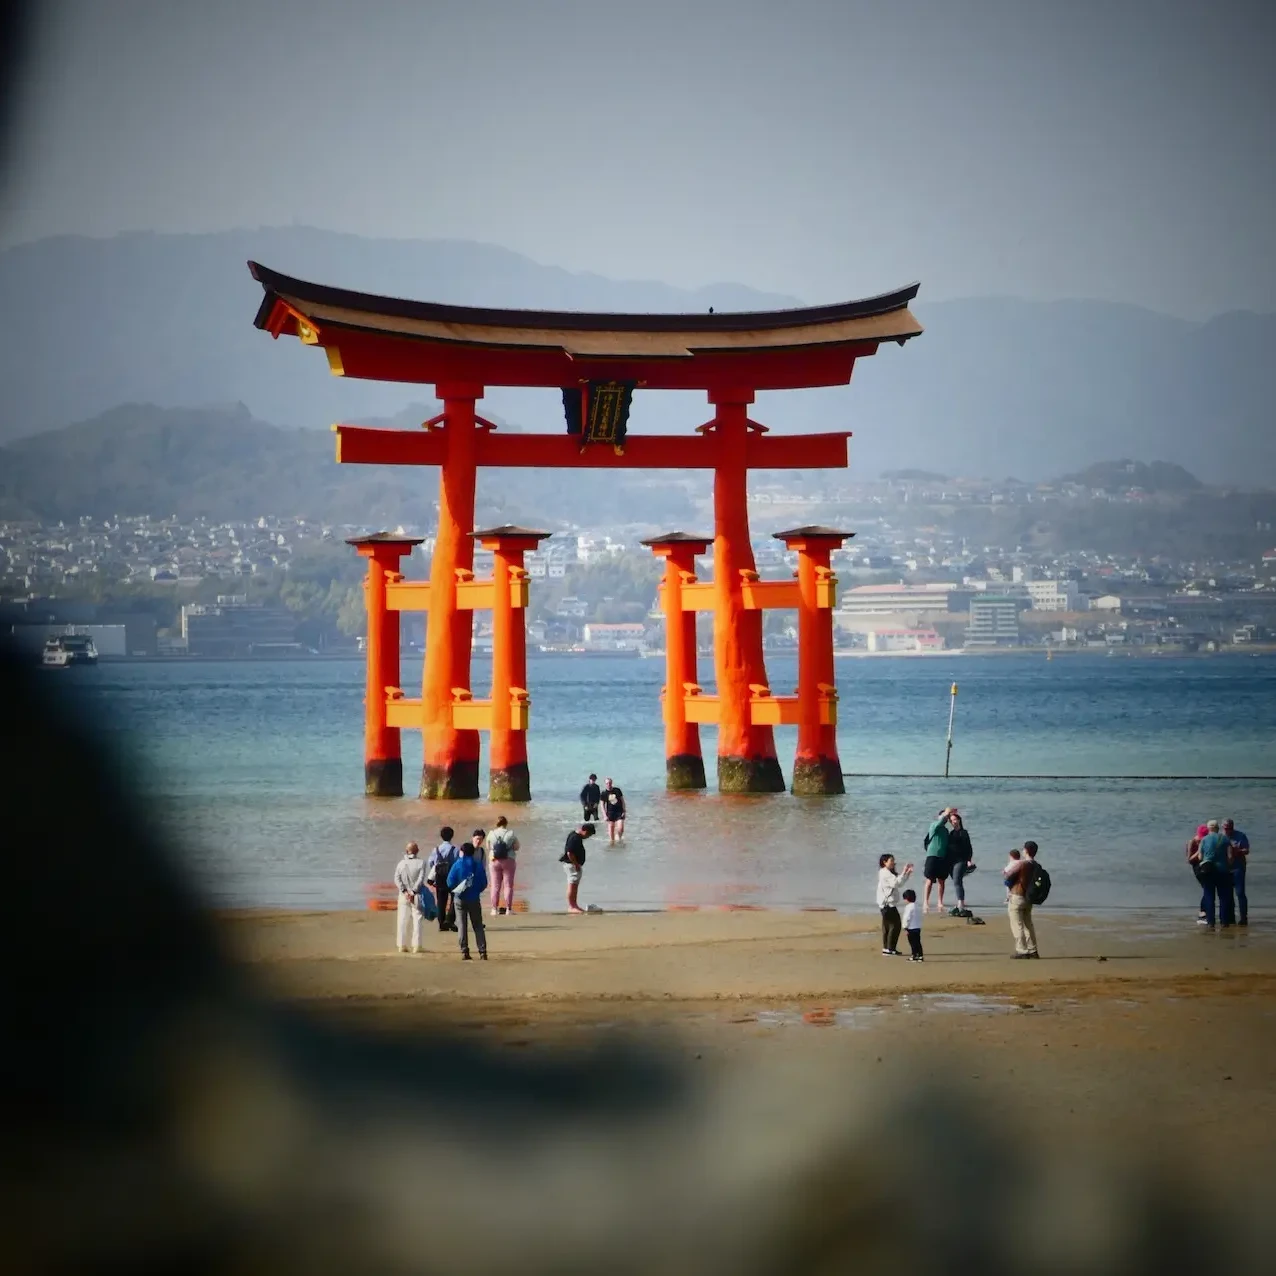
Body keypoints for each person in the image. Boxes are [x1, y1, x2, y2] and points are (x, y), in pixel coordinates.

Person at [446, 831, 489, 960]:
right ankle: (482, 951)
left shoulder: (457, 865)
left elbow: (449, 882)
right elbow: (484, 883)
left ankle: (464, 951)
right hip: (474, 898)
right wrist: (476, 890)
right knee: (478, 925)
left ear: (462, 852)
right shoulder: (478, 865)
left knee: (462, 925)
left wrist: (457, 889)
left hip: (459, 898)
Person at [1004, 840, 1040, 959]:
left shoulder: (1022, 864)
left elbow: (1008, 875)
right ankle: (1033, 949)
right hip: (1029, 897)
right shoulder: (1037, 865)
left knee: (1017, 924)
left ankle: (1022, 950)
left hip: (1017, 895)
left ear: (1026, 851)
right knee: (1028, 924)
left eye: (1024, 849)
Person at [1197, 819, 1235, 929]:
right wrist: (1228, 865)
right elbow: (1230, 857)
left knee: (1209, 897)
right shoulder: (1225, 839)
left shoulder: (1204, 839)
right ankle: (1224, 922)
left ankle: (1211, 922)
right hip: (1222, 871)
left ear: (1208, 829)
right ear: (1218, 828)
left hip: (1208, 871)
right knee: (1223, 897)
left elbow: (1200, 857)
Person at [392, 841, 428, 954]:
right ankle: (417, 946)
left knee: (402, 920)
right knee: (417, 920)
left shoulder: (401, 864)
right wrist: (413, 892)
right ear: (417, 851)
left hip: (403, 895)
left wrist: (404, 891)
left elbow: (396, 879)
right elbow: (421, 879)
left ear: (406, 851)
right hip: (417, 895)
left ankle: (401, 945)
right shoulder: (422, 863)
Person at [876, 853, 913, 956]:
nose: (893, 862)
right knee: (895, 925)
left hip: (886, 904)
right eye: (891, 861)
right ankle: (890, 949)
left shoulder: (887, 872)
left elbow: (899, 883)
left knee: (888, 927)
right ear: (884, 862)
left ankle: (887, 948)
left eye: (893, 860)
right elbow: (896, 883)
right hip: (887, 905)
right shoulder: (885, 872)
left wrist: (907, 874)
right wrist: (904, 871)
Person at [486, 816, 521, 916]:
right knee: (508, 885)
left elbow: (488, 847)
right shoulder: (511, 834)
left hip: (494, 860)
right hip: (509, 860)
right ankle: (508, 909)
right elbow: (517, 847)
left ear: (496, 824)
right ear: (506, 823)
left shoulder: (491, 833)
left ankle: (494, 909)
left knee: (495, 886)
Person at [427, 827, 460, 933]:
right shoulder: (455, 849)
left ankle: (441, 923)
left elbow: (431, 863)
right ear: (452, 836)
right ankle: (450, 919)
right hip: (452, 878)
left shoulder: (436, 849)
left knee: (441, 901)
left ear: (441, 836)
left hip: (440, 877)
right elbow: (457, 863)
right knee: (455, 899)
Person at [922, 808, 952, 913]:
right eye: (945, 817)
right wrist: (946, 813)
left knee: (941, 880)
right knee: (929, 879)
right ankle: (926, 901)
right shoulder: (934, 825)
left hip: (942, 857)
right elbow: (941, 821)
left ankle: (940, 901)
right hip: (932, 855)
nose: (946, 819)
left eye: (947, 818)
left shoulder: (946, 830)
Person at [946, 810, 975, 918]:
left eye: (955, 819)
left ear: (959, 820)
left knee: (957, 881)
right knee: (956, 881)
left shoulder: (964, 832)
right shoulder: (951, 833)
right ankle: (959, 902)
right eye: (951, 820)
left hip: (961, 860)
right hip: (951, 862)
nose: (954, 821)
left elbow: (969, 848)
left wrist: (969, 860)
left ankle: (961, 903)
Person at [561, 822, 594, 914]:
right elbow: (569, 853)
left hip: (573, 865)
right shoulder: (575, 838)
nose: (587, 837)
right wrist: (576, 864)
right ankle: (572, 906)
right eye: (588, 834)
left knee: (574, 886)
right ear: (585, 831)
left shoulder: (576, 836)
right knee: (572, 885)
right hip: (572, 865)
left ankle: (574, 905)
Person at [1224, 818, 1250, 926]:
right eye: (1225, 828)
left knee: (1240, 893)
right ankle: (1231, 918)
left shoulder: (1240, 836)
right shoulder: (1221, 837)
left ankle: (1243, 917)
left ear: (1232, 827)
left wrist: (1237, 851)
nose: (1227, 830)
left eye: (1229, 828)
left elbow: (1247, 850)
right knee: (1228, 894)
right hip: (1226, 868)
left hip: (1238, 867)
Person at [1187, 823, 1209, 924]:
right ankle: (1202, 912)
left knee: (1208, 888)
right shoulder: (1192, 842)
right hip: (1197, 866)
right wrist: (1199, 850)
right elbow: (1189, 859)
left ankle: (1205, 912)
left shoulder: (1207, 841)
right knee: (1206, 888)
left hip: (1207, 865)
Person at [901, 888, 923, 962]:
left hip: (911, 928)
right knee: (918, 942)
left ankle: (914, 955)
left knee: (912, 943)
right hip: (917, 927)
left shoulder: (908, 907)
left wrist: (905, 927)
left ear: (907, 899)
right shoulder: (917, 906)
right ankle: (920, 955)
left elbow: (907, 918)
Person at [601, 778, 626, 843]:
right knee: (611, 829)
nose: (608, 784)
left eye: (610, 783)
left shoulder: (617, 790)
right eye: (607, 783)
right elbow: (602, 805)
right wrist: (604, 815)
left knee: (621, 828)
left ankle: (618, 838)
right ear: (605, 784)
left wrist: (624, 811)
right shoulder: (604, 793)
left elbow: (622, 801)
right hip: (610, 813)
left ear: (611, 783)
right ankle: (612, 842)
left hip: (619, 811)